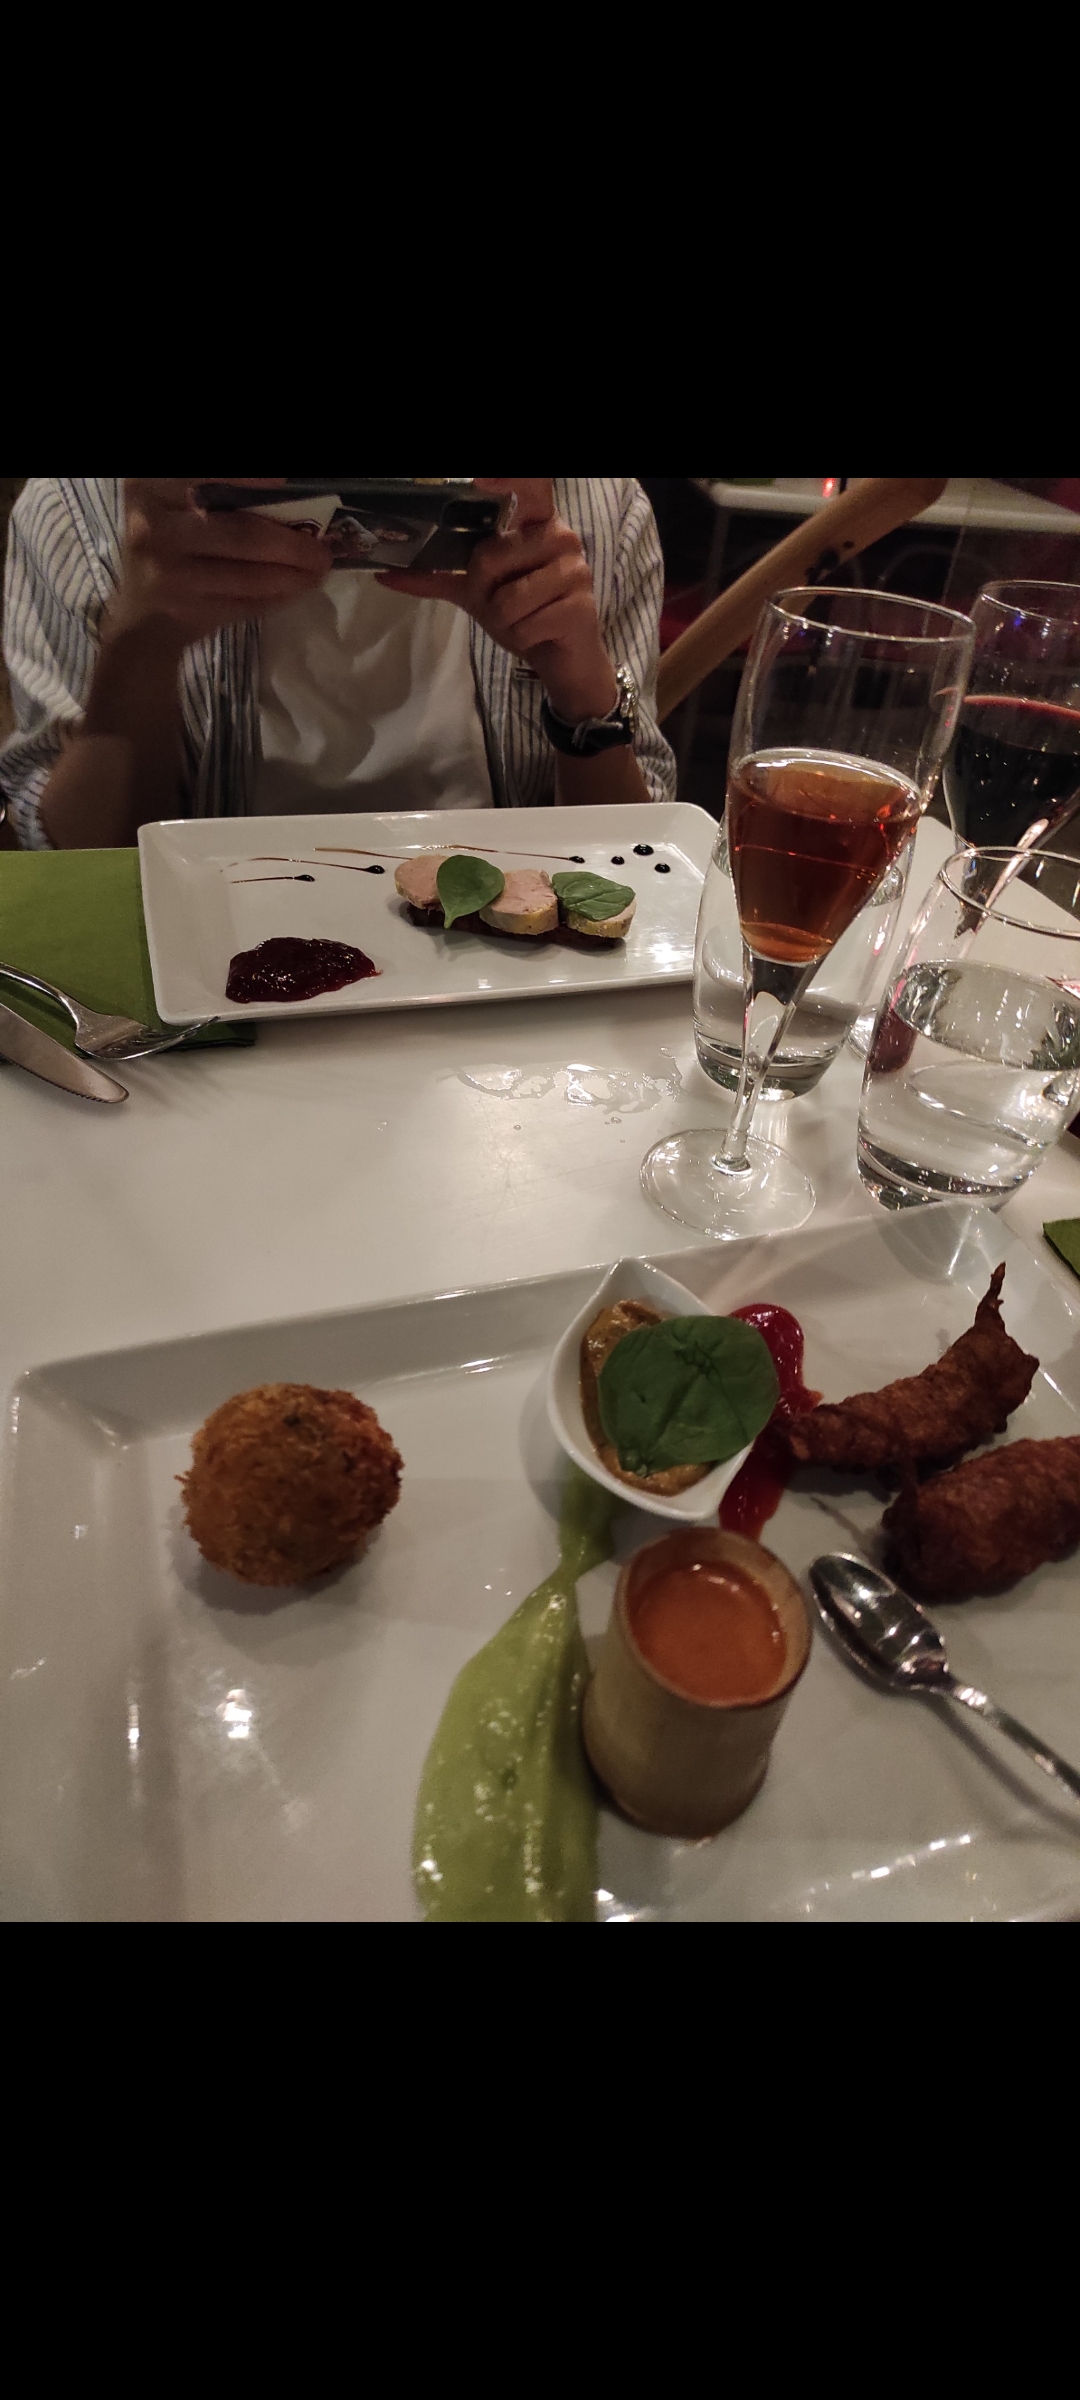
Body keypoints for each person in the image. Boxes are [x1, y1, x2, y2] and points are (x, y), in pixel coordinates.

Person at [0, 478, 675, 849]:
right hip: (207, 984)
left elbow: (637, 864)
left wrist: (581, 696)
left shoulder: (593, 505)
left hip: (504, 977)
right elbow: (63, 869)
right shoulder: (84, 507)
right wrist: (141, 647)